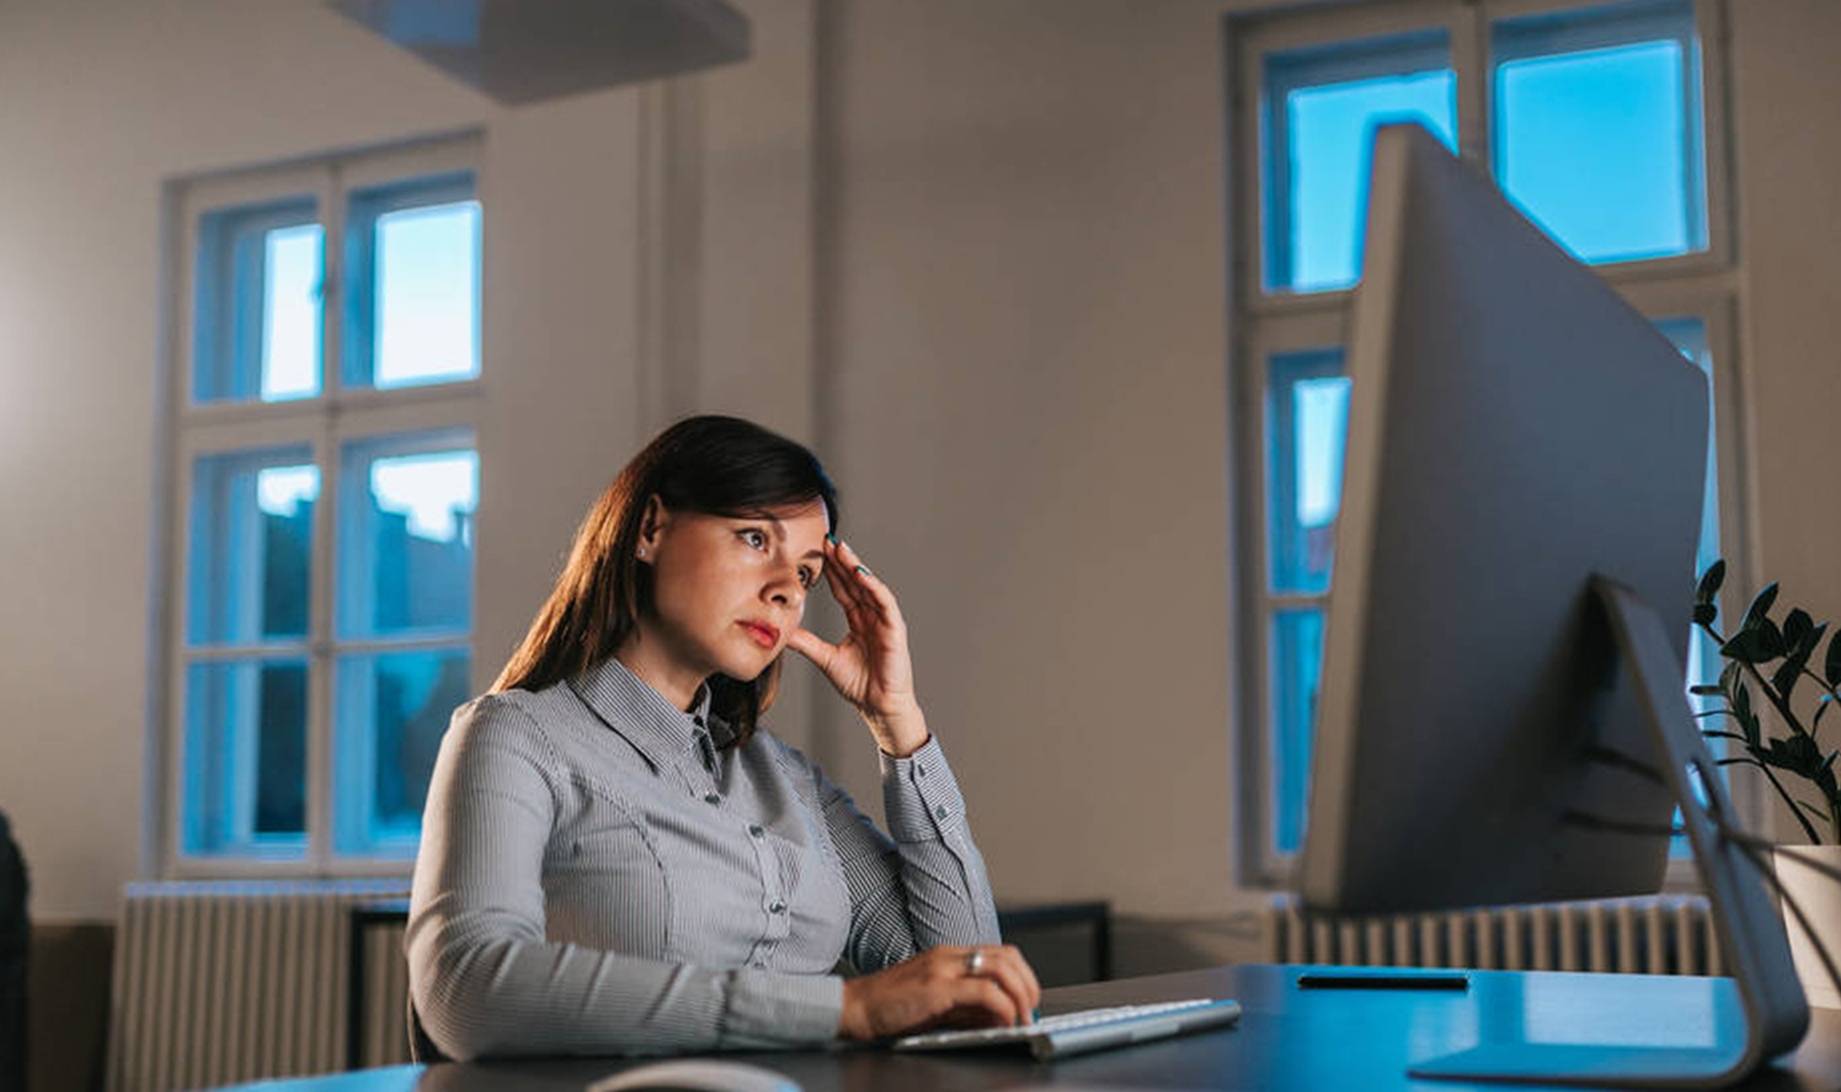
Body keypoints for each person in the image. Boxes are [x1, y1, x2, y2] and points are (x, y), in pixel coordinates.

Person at [406, 415, 1040, 1060]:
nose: (784, 591)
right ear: (651, 528)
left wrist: (898, 722)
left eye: (807, 574)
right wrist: (845, 1009)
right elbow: (465, 989)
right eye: (754, 538)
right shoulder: (515, 738)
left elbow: (965, 985)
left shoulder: (789, 781)